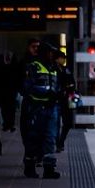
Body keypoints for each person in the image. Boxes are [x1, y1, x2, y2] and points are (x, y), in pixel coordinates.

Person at [19, 43, 62, 179]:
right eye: (49, 52)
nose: (52, 55)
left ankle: (49, 168)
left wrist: (56, 94)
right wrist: (47, 94)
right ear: (44, 52)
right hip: (36, 108)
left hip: (51, 108)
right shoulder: (34, 66)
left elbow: (57, 86)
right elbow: (27, 87)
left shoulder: (54, 68)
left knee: (50, 138)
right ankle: (30, 166)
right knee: (34, 138)